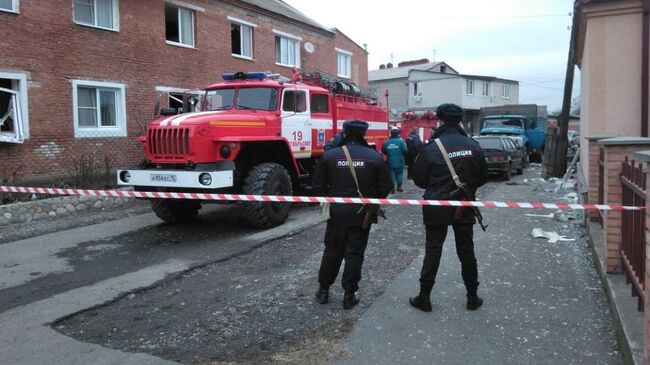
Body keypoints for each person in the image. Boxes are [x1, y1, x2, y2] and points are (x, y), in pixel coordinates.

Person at [409, 103, 488, 312]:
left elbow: (418, 179)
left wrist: (438, 187)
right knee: (466, 251)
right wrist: (466, 188)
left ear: (440, 121)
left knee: (433, 250)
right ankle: (472, 296)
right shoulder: (473, 145)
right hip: (464, 203)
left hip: (437, 205)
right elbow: (483, 176)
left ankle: (424, 297)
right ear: (460, 120)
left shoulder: (431, 147)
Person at [313, 120, 393, 309]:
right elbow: (386, 186)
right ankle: (349, 294)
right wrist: (370, 201)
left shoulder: (330, 156)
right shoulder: (374, 156)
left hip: (336, 213)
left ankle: (323, 290)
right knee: (355, 254)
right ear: (364, 133)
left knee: (332, 252)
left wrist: (329, 201)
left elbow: (317, 185)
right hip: (362, 214)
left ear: (345, 133)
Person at [381, 128, 408, 193]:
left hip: (390, 161)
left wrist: (389, 154)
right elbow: (405, 151)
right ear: (398, 134)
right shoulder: (401, 142)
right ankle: (399, 187)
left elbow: (383, 151)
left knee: (391, 174)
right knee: (399, 174)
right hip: (400, 161)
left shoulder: (386, 142)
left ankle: (392, 188)